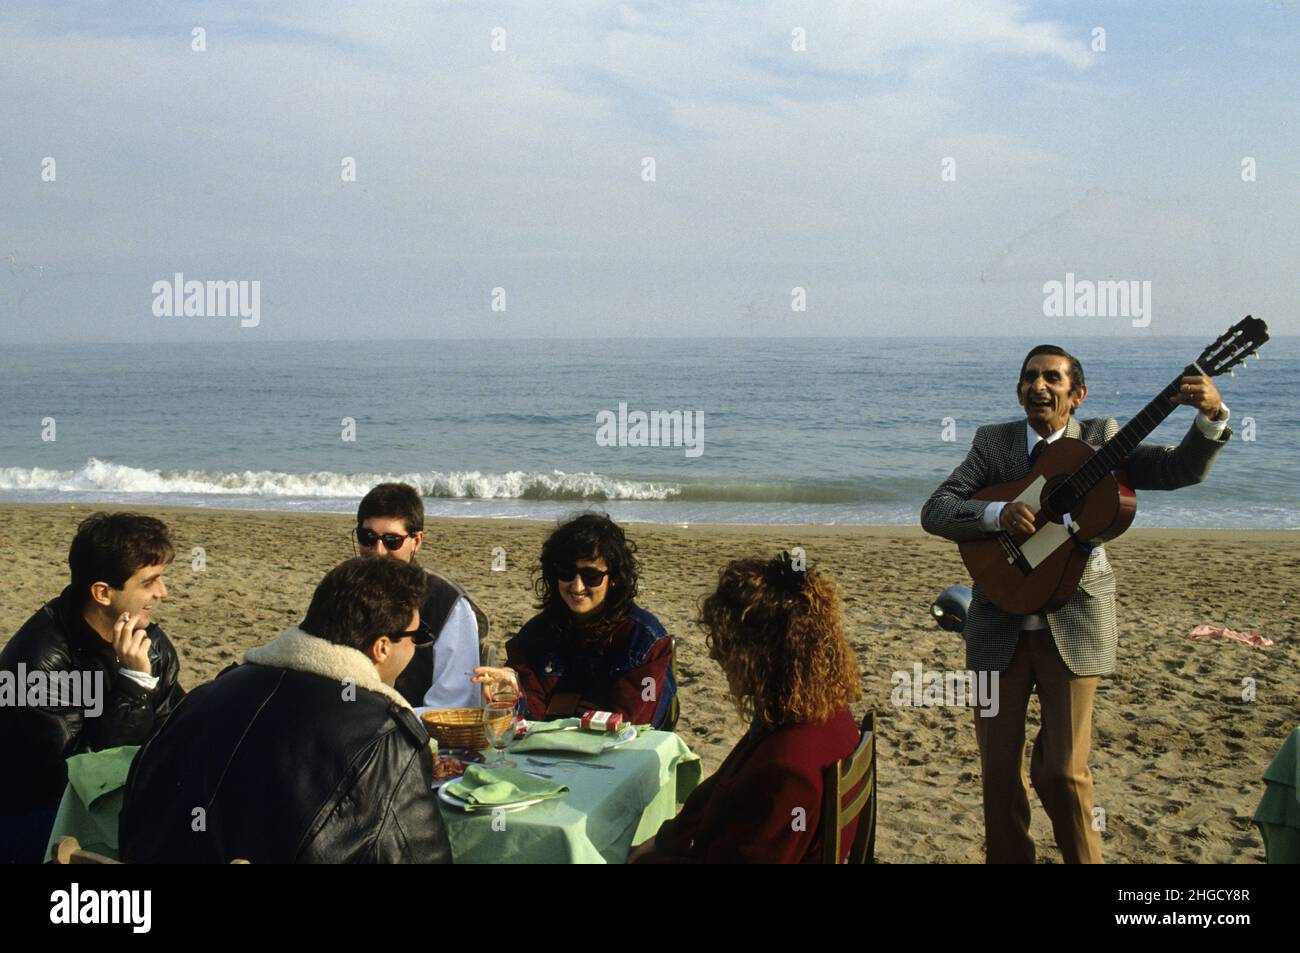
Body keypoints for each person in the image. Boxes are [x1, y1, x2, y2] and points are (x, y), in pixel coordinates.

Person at [921, 344, 1231, 864]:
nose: (1038, 386)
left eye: (1052, 378)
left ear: (1077, 394)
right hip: (998, 620)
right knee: (998, 772)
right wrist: (998, 514)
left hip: (1074, 624)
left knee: (1062, 771)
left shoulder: (1102, 440)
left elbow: (1178, 470)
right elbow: (937, 510)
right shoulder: (993, 444)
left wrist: (1211, 417)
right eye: (1029, 377)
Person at [120, 556, 452, 864]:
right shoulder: (387, 737)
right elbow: (420, 855)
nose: (418, 646)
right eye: (417, 635)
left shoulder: (206, 696)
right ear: (381, 648)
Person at [631, 554, 862, 863]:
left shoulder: (787, 767)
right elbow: (724, 781)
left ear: (763, 654)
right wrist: (667, 839)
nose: (715, 654)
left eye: (727, 644)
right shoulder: (822, 713)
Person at [0, 512, 184, 864]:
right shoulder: (35, 664)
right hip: (36, 820)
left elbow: (173, 730)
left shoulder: (147, 641)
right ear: (102, 592)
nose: (163, 592)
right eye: (150, 582)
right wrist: (135, 684)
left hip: (122, 800)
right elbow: (77, 778)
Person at [474, 513, 677, 728]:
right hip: (546, 754)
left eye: (591, 576)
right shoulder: (535, 635)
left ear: (615, 578)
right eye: (567, 572)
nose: (577, 587)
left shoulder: (644, 642)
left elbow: (634, 723)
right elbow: (529, 716)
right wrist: (513, 691)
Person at [353, 482, 488, 709]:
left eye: (392, 541)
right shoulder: (339, 591)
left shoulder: (447, 605)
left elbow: (453, 705)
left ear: (416, 541)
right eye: (367, 537)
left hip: (420, 737)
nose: (378, 551)